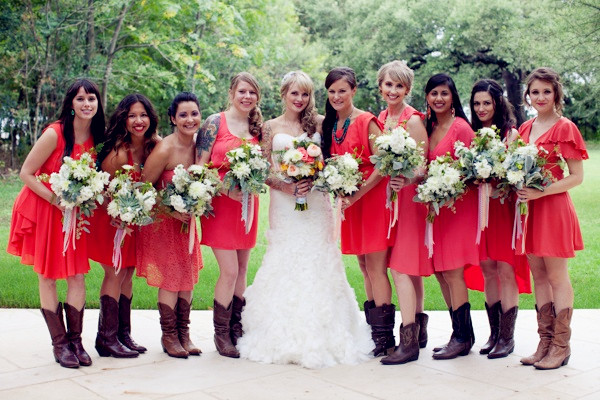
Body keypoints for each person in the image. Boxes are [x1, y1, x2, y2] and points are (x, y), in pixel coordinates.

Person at [236, 71, 372, 368]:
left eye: (306, 94)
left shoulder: (322, 124)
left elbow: (333, 158)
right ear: (283, 94)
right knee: (285, 256)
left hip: (316, 203)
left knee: (318, 257)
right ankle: (277, 329)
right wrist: (285, 184)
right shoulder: (269, 127)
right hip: (284, 206)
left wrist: (320, 177)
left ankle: (328, 329)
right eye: (294, 93)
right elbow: (261, 169)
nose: (300, 99)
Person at [7, 78, 105, 368]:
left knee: (76, 275)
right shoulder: (55, 133)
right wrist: (55, 200)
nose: (87, 104)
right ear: (71, 104)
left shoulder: (97, 137)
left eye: (92, 99)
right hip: (43, 208)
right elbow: (26, 173)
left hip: (73, 214)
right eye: (80, 99)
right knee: (48, 276)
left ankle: (76, 341)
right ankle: (59, 344)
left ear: (98, 104)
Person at [516, 67, 587, 370]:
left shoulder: (565, 127)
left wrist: (540, 193)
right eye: (535, 92)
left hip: (553, 208)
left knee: (557, 276)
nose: (540, 97)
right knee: (538, 276)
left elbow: (576, 177)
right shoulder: (524, 129)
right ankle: (544, 342)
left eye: (546, 91)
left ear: (555, 93)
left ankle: (561, 345)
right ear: (528, 95)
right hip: (529, 212)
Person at [322, 67, 394, 357]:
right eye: (331, 91)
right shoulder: (332, 124)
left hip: (371, 201)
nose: (337, 96)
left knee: (376, 267)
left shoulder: (366, 121)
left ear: (354, 90)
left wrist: (359, 192)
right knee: (363, 266)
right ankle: (374, 331)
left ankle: (385, 338)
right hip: (349, 203)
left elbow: (384, 162)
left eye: (342, 90)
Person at [196, 72, 263, 358]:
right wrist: (224, 189)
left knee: (243, 269)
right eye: (242, 91)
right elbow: (199, 166)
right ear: (232, 92)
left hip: (247, 207)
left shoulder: (258, 126)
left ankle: (237, 327)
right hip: (221, 205)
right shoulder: (214, 122)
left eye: (252, 92)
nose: (247, 97)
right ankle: (221, 335)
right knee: (230, 270)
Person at [88, 94, 160, 358]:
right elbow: (104, 188)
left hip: (133, 221)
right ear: (124, 119)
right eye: (132, 116)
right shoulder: (119, 151)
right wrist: (117, 212)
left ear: (151, 118)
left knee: (128, 272)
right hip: (111, 219)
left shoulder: (154, 146)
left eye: (143, 115)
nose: (138, 121)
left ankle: (122, 333)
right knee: (114, 274)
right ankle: (105, 338)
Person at [375, 61, 433, 365]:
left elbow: (424, 164)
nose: (393, 90)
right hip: (389, 201)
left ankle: (408, 341)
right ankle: (419, 331)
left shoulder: (412, 120)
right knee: (407, 268)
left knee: (400, 267)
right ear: (380, 86)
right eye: (388, 84)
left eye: (399, 86)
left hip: (409, 201)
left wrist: (407, 177)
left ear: (407, 89)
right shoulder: (382, 118)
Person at [136, 92, 203, 359]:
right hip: (164, 223)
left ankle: (184, 333)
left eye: (194, 114)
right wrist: (171, 211)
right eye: (183, 115)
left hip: (187, 223)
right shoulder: (165, 148)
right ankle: (169, 336)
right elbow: (143, 189)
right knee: (171, 278)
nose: (190, 119)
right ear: (173, 118)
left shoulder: (199, 146)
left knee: (187, 277)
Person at [469, 79, 532, 359]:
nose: (481, 108)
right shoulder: (471, 135)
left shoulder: (511, 134)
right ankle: (494, 333)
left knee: (505, 269)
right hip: (480, 210)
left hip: (503, 209)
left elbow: (518, 172)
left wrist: (499, 184)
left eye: (486, 102)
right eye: (477, 103)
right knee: (486, 268)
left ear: (497, 103)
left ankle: (507, 337)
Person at [424, 73, 480, 360]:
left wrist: (452, 182)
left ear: (452, 96)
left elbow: (475, 170)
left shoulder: (461, 128)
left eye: (444, 93)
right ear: (427, 98)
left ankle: (461, 338)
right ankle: (461, 332)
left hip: (459, 209)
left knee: (454, 271)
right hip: (436, 210)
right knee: (440, 271)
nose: (438, 98)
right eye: (433, 93)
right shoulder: (429, 126)